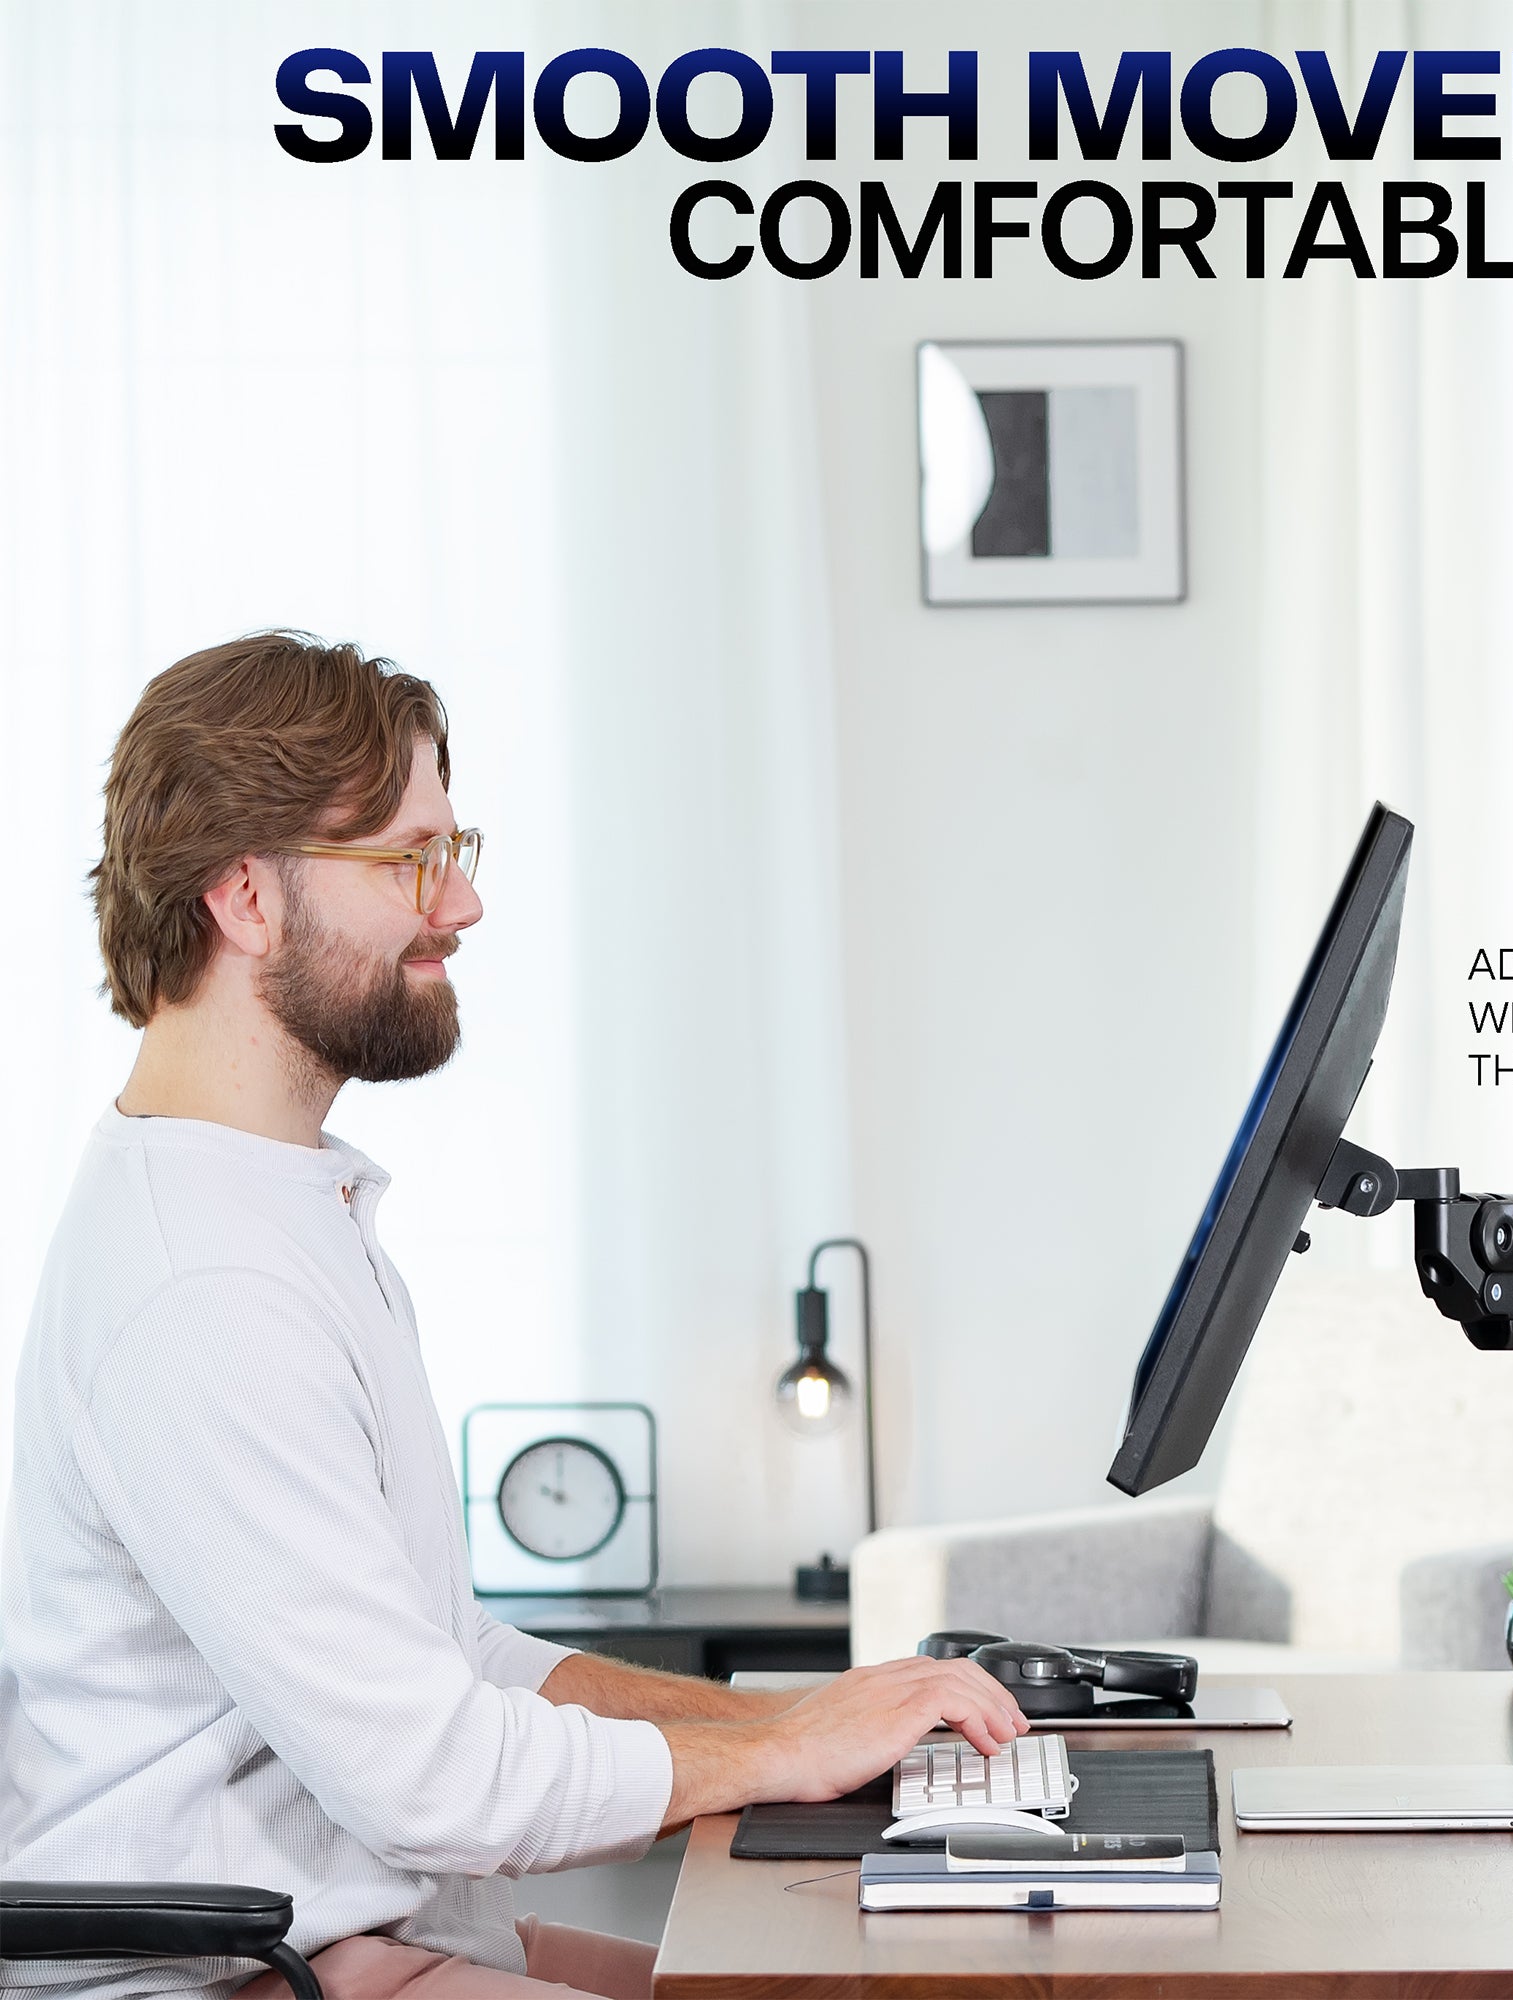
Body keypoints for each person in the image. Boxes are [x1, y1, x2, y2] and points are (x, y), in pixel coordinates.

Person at [0, 633, 1027, 2000]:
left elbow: (455, 1662)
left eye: (457, 845)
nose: (465, 903)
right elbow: (435, 1779)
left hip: (365, 1942)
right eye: (410, 859)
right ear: (246, 897)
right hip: (235, 1977)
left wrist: (796, 1717)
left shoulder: (283, 1216)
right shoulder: (203, 1290)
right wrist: (785, 1756)